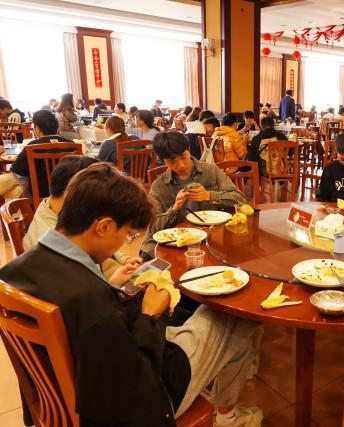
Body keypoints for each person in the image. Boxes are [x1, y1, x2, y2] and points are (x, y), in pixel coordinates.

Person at [0, 163, 263, 426]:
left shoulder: (15, 271)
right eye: (127, 234)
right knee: (235, 312)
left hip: (82, 389)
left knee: (195, 321)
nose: (125, 242)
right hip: (144, 402)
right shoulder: (91, 300)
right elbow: (136, 384)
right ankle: (228, 416)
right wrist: (151, 316)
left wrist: (111, 287)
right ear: (104, 227)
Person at [21, 155, 136, 281]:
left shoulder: (50, 207)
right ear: (73, 191)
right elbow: (91, 284)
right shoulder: (58, 244)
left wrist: (124, 259)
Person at [142, 132, 246, 256]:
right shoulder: (159, 186)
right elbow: (153, 229)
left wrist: (209, 196)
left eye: (183, 157)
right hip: (175, 244)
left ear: (189, 150)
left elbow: (240, 200)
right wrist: (174, 209)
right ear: (163, 161)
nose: (181, 165)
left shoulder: (210, 171)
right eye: (172, 161)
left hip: (211, 238)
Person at [10, 110, 74, 199]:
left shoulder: (32, 146)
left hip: (40, 194)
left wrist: (28, 184)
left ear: (37, 128)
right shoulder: (72, 144)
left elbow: (17, 173)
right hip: (68, 194)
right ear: (57, 127)